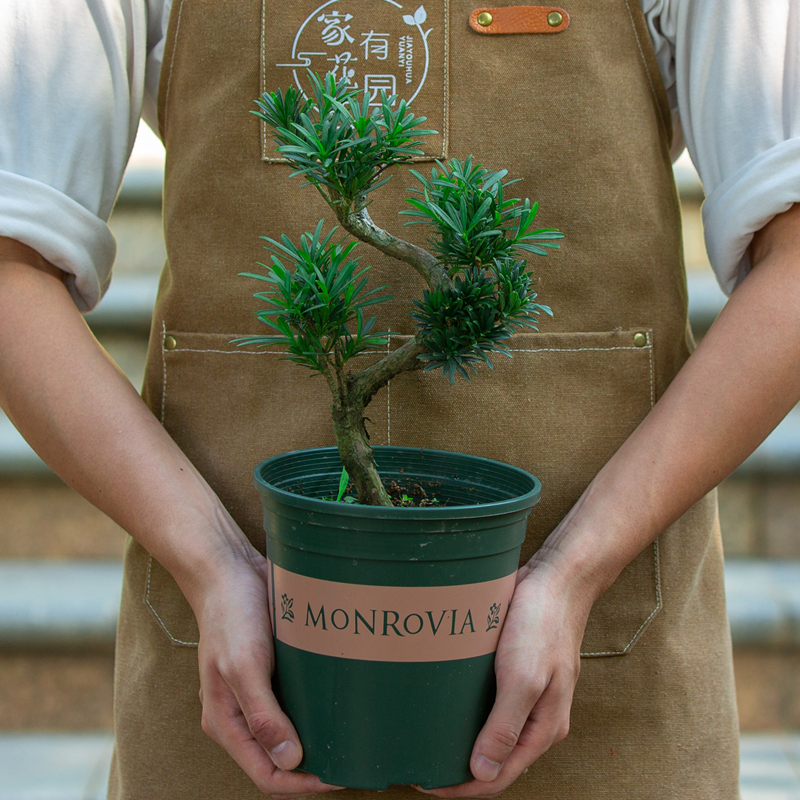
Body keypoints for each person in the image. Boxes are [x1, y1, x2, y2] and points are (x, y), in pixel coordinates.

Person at [1, 1, 799, 798]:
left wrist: (574, 573)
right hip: (244, 683)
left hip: (610, 683)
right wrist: (213, 565)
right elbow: (10, 266)